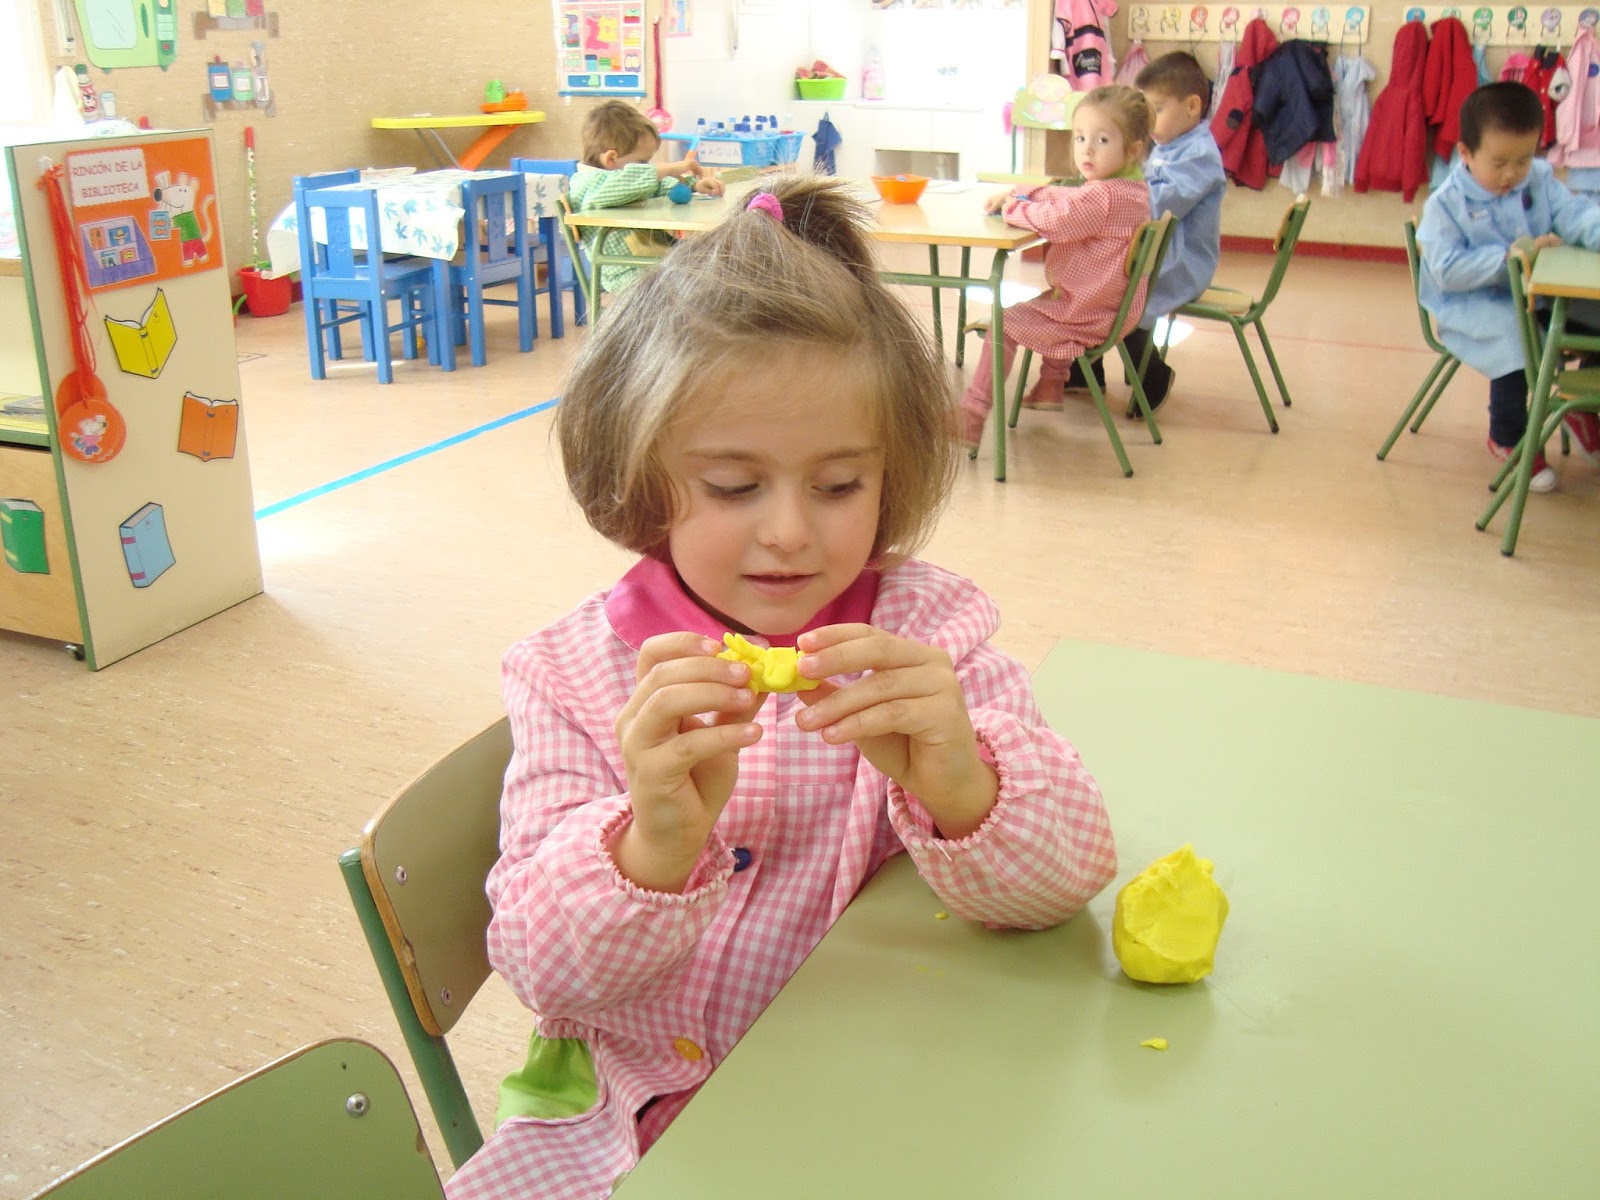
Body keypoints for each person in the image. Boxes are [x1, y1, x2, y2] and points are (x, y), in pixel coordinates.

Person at [445, 175, 1117, 1200]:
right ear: (642, 475)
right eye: (733, 486)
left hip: (881, 1086)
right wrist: (651, 846)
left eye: (840, 485)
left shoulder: (929, 640)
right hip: (626, 1111)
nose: (792, 533)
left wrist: (963, 784)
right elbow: (543, 972)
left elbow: (1064, 883)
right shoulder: (571, 674)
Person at [1417, 81, 1600, 492]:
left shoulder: (1538, 178)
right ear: (1466, 153)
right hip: (1472, 303)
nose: (1512, 174)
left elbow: (1574, 214)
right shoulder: (1446, 204)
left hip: (1537, 293)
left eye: (1523, 159)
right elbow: (1446, 270)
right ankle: (1508, 437)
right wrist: (1512, 258)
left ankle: (1580, 405)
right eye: (1499, 162)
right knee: (1516, 336)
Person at [959, 84, 1152, 446]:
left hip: (1085, 313)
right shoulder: (1132, 190)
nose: (1087, 149)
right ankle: (1050, 386)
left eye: (1102, 140)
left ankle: (972, 414)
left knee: (1005, 322)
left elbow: (1058, 220)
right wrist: (1022, 190)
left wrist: (1015, 207)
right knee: (1048, 298)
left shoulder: (1102, 197)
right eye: (1080, 137)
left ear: (1133, 149)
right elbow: (1068, 195)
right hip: (1109, 307)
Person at [1048, 53, 1226, 416]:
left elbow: (1153, 205)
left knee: (1114, 290)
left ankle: (1152, 373)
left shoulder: (1198, 155)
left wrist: (1105, 193)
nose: (1148, 123)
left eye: (1156, 110)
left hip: (1181, 263)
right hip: (1154, 255)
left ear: (1192, 106)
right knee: (1091, 276)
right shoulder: (1169, 146)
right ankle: (1086, 368)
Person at [568, 100, 725, 293]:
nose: (648, 168)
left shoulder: (630, 180)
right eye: (643, 162)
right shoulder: (587, 184)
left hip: (651, 259)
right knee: (694, 280)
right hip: (625, 271)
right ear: (611, 158)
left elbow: (655, 185)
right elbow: (626, 183)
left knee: (704, 263)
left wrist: (694, 185)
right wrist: (669, 168)